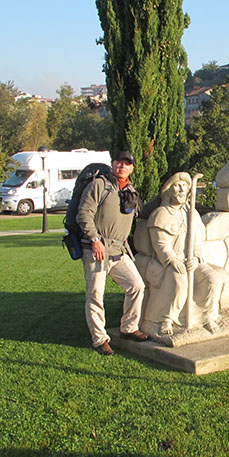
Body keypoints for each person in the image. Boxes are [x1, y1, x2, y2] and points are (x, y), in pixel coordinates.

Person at [76, 150, 148, 355]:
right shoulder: (99, 185)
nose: (123, 166)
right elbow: (84, 214)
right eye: (119, 162)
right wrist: (95, 240)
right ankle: (99, 339)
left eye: (127, 164)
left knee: (136, 286)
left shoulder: (131, 191)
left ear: (132, 168)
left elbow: (144, 211)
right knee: (96, 294)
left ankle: (129, 328)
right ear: (113, 163)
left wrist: (166, 195)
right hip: (96, 249)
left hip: (119, 250)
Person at [143, 172, 223, 337]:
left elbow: (198, 243)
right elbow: (160, 245)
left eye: (185, 186)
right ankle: (167, 318)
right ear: (169, 190)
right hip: (169, 262)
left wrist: (196, 258)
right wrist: (173, 260)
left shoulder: (192, 215)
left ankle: (205, 316)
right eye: (177, 186)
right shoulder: (161, 214)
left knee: (212, 279)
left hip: (192, 260)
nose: (181, 189)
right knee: (180, 282)